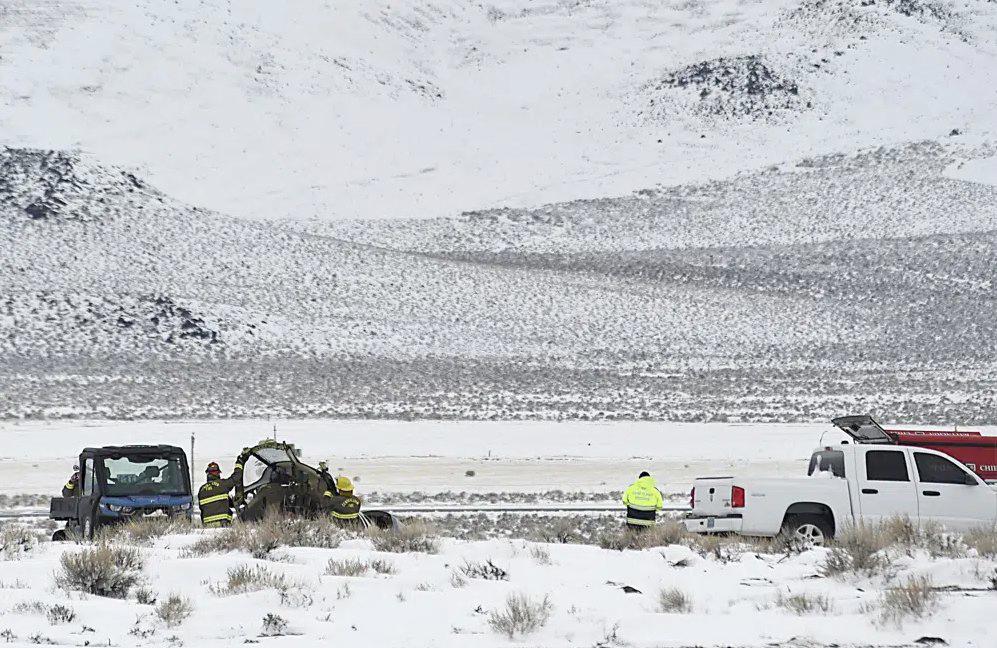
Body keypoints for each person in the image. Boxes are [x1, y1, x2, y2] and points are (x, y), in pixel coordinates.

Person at [197, 453, 247, 528]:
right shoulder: (223, 484)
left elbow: (210, 504)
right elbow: (236, 477)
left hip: (207, 526)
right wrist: (239, 462)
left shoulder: (202, 490)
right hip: (222, 524)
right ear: (217, 474)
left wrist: (232, 502)